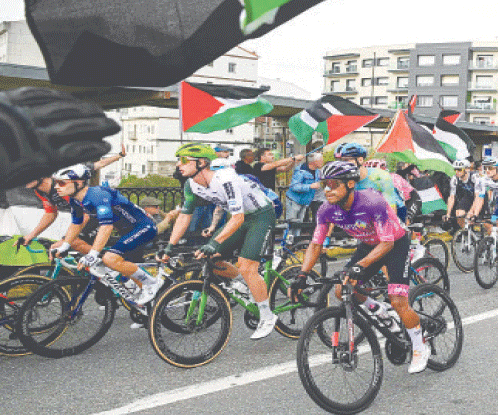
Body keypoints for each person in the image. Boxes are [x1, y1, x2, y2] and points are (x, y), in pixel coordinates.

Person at [289, 161, 431, 373]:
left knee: (399, 300)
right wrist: (302, 275)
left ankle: (421, 347)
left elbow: (387, 243)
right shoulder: (326, 209)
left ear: (351, 184)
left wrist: (360, 266)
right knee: (341, 289)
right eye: (324, 185)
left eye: (333, 184)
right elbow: (316, 244)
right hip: (368, 245)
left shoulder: (371, 202)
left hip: (394, 244)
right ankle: (380, 312)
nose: (327, 190)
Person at [160, 143, 279, 339]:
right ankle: (245, 284)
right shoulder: (192, 185)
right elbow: (184, 216)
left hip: (260, 215)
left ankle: (267, 316)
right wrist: (169, 246)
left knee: (247, 265)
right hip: (238, 218)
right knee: (207, 257)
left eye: (182, 160)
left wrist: (214, 242)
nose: (178, 165)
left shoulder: (225, 179)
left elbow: (238, 218)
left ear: (201, 163)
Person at [51, 164, 160, 304]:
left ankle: (152, 283)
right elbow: (76, 224)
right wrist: (65, 245)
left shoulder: (97, 195)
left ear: (78, 183)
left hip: (144, 227)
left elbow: (106, 226)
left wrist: (92, 254)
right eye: (56, 183)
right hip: (127, 231)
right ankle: (151, 310)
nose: (56, 187)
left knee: (109, 259)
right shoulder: (75, 199)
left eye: (61, 182)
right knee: (127, 272)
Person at [15, 176, 93, 254]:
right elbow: (50, 214)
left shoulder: (62, 185)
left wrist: (65, 240)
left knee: (73, 242)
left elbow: (85, 215)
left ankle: (103, 259)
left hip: (96, 214)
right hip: (87, 216)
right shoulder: (40, 192)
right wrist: (30, 236)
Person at [284, 152, 324, 233]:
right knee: (291, 225)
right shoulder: (301, 171)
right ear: (314, 162)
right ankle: (287, 243)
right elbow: (294, 186)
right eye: (321, 160)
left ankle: (296, 244)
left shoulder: (317, 172)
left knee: (299, 225)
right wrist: (309, 186)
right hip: (294, 201)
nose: (322, 162)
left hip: (304, 201)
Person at [444, 159, 477, 229]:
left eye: (459, 170)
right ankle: (467, 233)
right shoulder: (455, 179)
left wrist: (471, 211)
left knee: (486, 223)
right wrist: (448, 214)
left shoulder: (474, 177)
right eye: (455, 169)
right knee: (459, 214)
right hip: (468, 196)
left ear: (466, 169)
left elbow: (478, 197)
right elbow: (452, 197)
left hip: (479, 196)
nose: (457, 172)